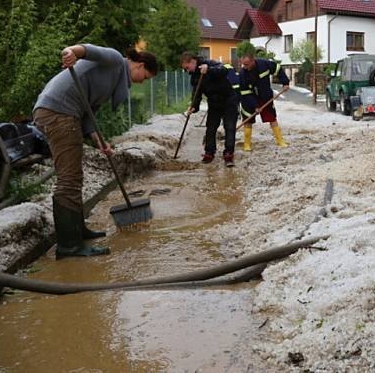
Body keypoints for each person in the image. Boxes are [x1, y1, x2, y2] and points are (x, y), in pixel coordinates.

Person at [33, 44, 158, 258]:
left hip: (65, 113)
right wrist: (72, 52)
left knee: (75, 176)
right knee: (69, 179)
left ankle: (77, 231)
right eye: (145, 76)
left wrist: (98, 140)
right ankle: (69, 246)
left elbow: (90, 112)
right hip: (58, 111)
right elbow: (89, 50)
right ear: (140, 65)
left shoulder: (113, 79)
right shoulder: (115, 59)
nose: (141, 81)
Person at [180, 53, 239, 166]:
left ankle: (228, 155)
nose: (187, 71)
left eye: (187, 67)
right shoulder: (195, 77)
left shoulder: (211, 64)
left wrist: (209, 70)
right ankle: (209, 153)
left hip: (229, 100)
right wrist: (194, 106)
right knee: (211, 128)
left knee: (230, 127)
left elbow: (224, 70)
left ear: (193, 61)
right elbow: (196, 94)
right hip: (214, 104)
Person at [237, 53, 290, 149]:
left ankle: (280, 141)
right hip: (248, 99)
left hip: (265, 97)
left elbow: (278, 69)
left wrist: (285, 82)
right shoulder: (242, 74)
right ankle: (247, 144)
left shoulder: (264, 64)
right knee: (248, 119)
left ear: (253, 61)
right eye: (243, 64)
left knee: (272, 118)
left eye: (247, 64)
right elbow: (245, 92)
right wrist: (255, 106)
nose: (244, 67)